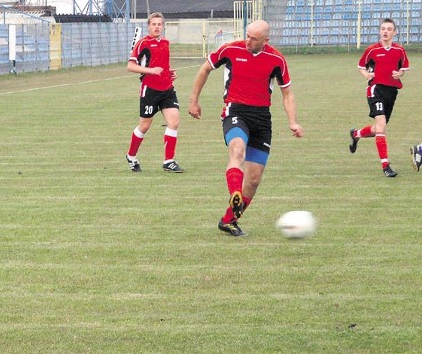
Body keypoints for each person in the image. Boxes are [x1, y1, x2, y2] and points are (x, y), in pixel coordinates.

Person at [188, 20, 303, 237]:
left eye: (254, 38)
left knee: (253, 179)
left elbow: (287, 93)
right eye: (247, 35)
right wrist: (194, 101)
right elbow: (205, 69)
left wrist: (293, 121)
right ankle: (235, 194)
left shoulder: (276, 59)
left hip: (262, 119)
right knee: (237, 149)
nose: (248, 41)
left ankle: (228, 220)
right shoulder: (231, 49)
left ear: (265, 41)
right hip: (235, 111)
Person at [349, 18, 409, 177]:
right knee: (381, 125)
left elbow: (403, 68)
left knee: (378, 129)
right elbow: (361, 66)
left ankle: (357, 134)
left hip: (392, 91)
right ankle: (386, 165)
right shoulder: (372, 50)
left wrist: (399, 73)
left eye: (389, 29)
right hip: (375, 89)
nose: (385, 31)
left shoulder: (399, 51)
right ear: (379, 31)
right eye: (383, 28)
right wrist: (367, 75)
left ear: (394, 32)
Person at [125, 12, 184, 173]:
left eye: (159, 24)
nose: (157, 27)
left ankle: (168, 161)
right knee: (144, 126)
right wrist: (151, 71)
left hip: (167, 89)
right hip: (150, 90)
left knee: (174, 122)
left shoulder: (166, 43)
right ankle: (131, 156)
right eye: (154, 24)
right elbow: (130, 66)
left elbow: (162, 65)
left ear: (163, 26)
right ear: (149, 26)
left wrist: (170, 72)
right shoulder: (143, 43)